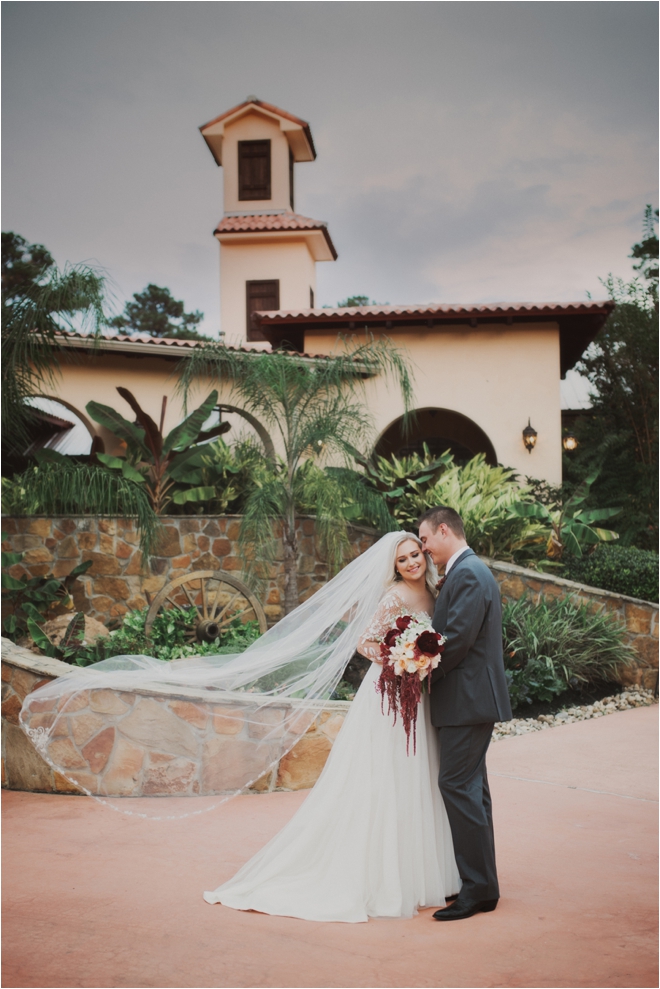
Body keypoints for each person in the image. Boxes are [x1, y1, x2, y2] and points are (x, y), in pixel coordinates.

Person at [203, 532, 461, 922]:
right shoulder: (394, 597)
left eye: (415, 555)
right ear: (394, 566)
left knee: (418, 777)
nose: (411, 563)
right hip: (389, 696)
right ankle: (379, 876)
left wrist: (421, 663)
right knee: (385, 780)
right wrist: (401, 658)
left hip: (417, 697)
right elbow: (364, 642)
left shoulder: (434, 592)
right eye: (403, 559)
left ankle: (421, 872)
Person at [418, 506, 512, 922]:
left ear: (443, 530)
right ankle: (482, 885)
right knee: (472, 789)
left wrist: (417, 671)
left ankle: (477, 889)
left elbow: (454, 641)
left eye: (425, 540)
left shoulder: (469, 574)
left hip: (467, 700)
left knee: (456, 785)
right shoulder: (465, 572)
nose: (423, 549)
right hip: (468, 700)